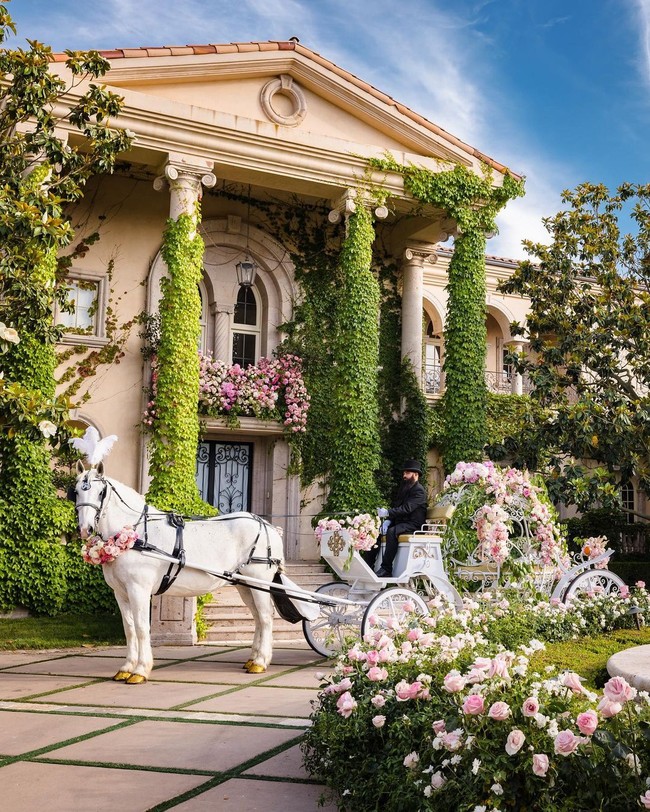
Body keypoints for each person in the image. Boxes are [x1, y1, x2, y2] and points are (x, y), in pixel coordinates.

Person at [367, 459, 427, 577]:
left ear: (415, 475)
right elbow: (398, 507)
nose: (404, 476)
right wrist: (388, 520)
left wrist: (387, 513)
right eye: (404, 473)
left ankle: (386, 569)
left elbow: (406, 509)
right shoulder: (404, 488)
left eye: (407, 473)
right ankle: (368, 566)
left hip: (414, 524)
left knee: (392, 531)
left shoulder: (419, 491)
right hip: (403, 523)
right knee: (375, 532)